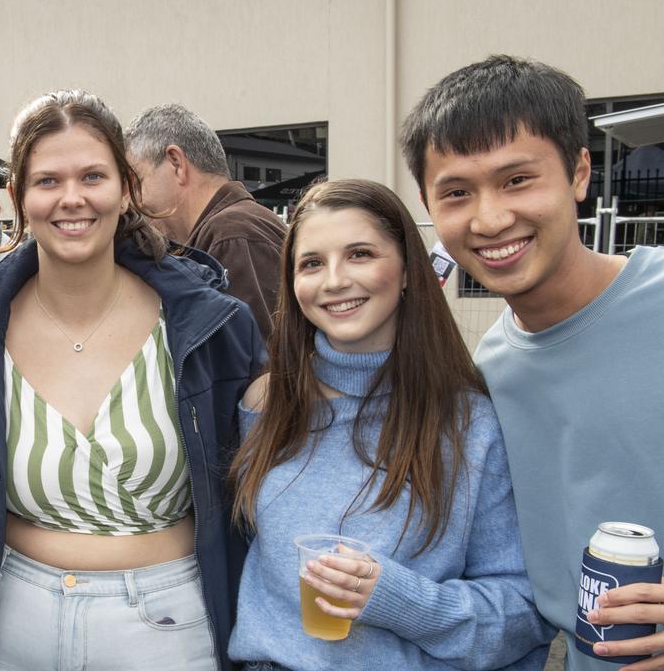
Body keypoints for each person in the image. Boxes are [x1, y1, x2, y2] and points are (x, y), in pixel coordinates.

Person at [0, 90, 263, 671]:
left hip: (168, 628)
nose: (72, 198)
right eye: (48, 181)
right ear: (18, 196)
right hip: (12, 625)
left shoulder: (212, 326)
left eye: (92, 175)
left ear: (126, 189)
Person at [402, 54, 664, 670]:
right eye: (456, 192)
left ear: (579, 173)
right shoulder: (491, 370)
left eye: (517, 180)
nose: (490, 218)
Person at [229, 179, 555, 670]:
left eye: (359, 254)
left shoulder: (470, 426)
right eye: (312, 263)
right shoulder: (266, 404)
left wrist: (402, 600)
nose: (334, 280)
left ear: (406, 271)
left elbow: (525, 614)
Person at [125, 103, 287, 338]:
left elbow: (256, 364)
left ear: (176, 163)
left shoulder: (232, 236)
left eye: (136, 182)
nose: (130, 201)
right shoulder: (235, 229)